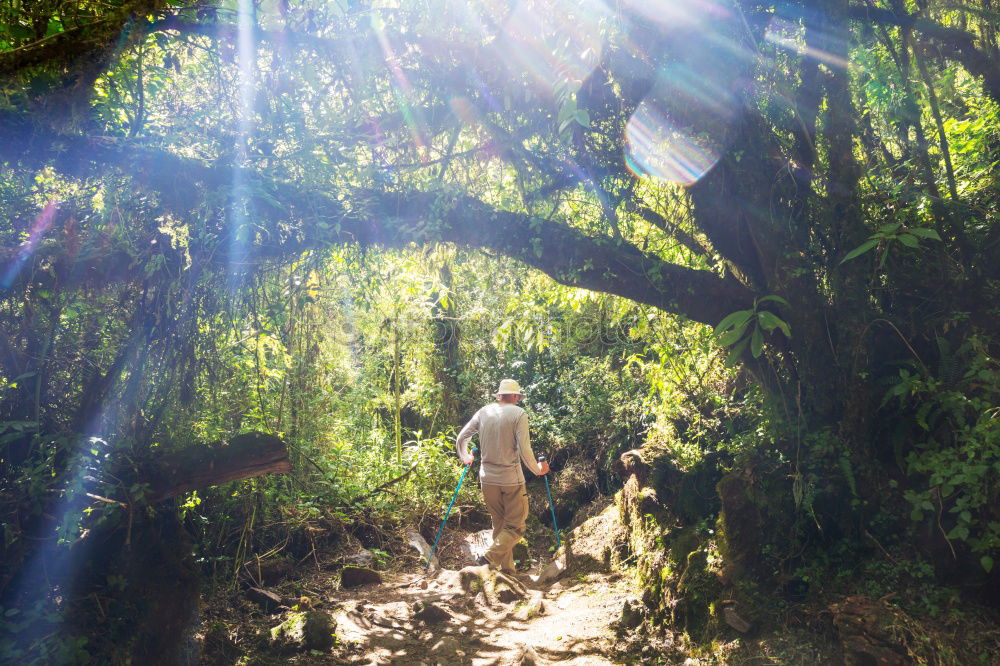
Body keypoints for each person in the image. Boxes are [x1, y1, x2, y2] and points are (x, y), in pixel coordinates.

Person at [455, 378, 549, 573]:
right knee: (516, 527)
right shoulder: (519, 414)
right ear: (515, 396)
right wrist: (538, 470)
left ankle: (507, 572)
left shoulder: (484, 412)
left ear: (499, 395)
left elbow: (462, 437)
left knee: (499, 525)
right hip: (511, 480)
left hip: (487, 479)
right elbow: (524, 450)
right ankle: (488, 558)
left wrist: (465, 457)